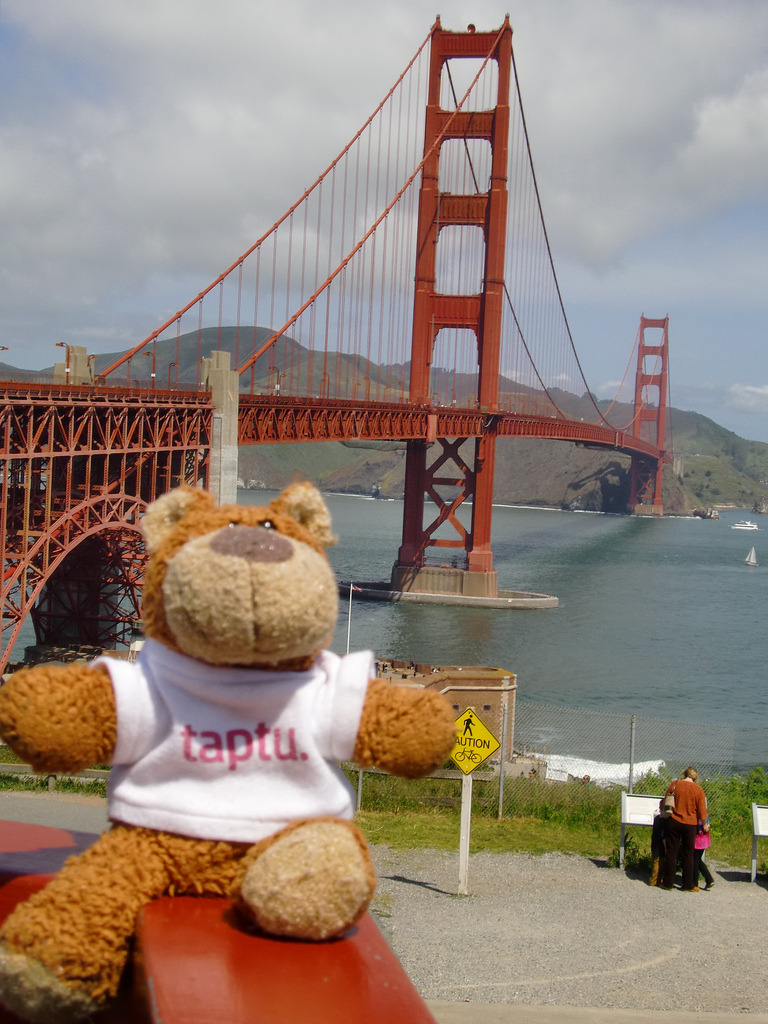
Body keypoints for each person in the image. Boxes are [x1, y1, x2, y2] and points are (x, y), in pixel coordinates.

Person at [661, 766, 709, 892]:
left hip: (674, 821)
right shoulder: (699, 790)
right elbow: (702, 810)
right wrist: (704, 823)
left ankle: (668, 883)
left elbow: (665, 800)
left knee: (672, 852)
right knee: (689, 854)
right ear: (695, 777)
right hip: (690, 824)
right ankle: (688, 884)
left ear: (684, 774)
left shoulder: (675, 784)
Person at [694, 803, 715, 891]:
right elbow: (708, 824)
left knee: (695, 860)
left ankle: (696, 882)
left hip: (697, 839)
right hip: (704, 839)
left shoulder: (698, 814)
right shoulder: (705, 813)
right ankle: (708, 879)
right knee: (698, 859)